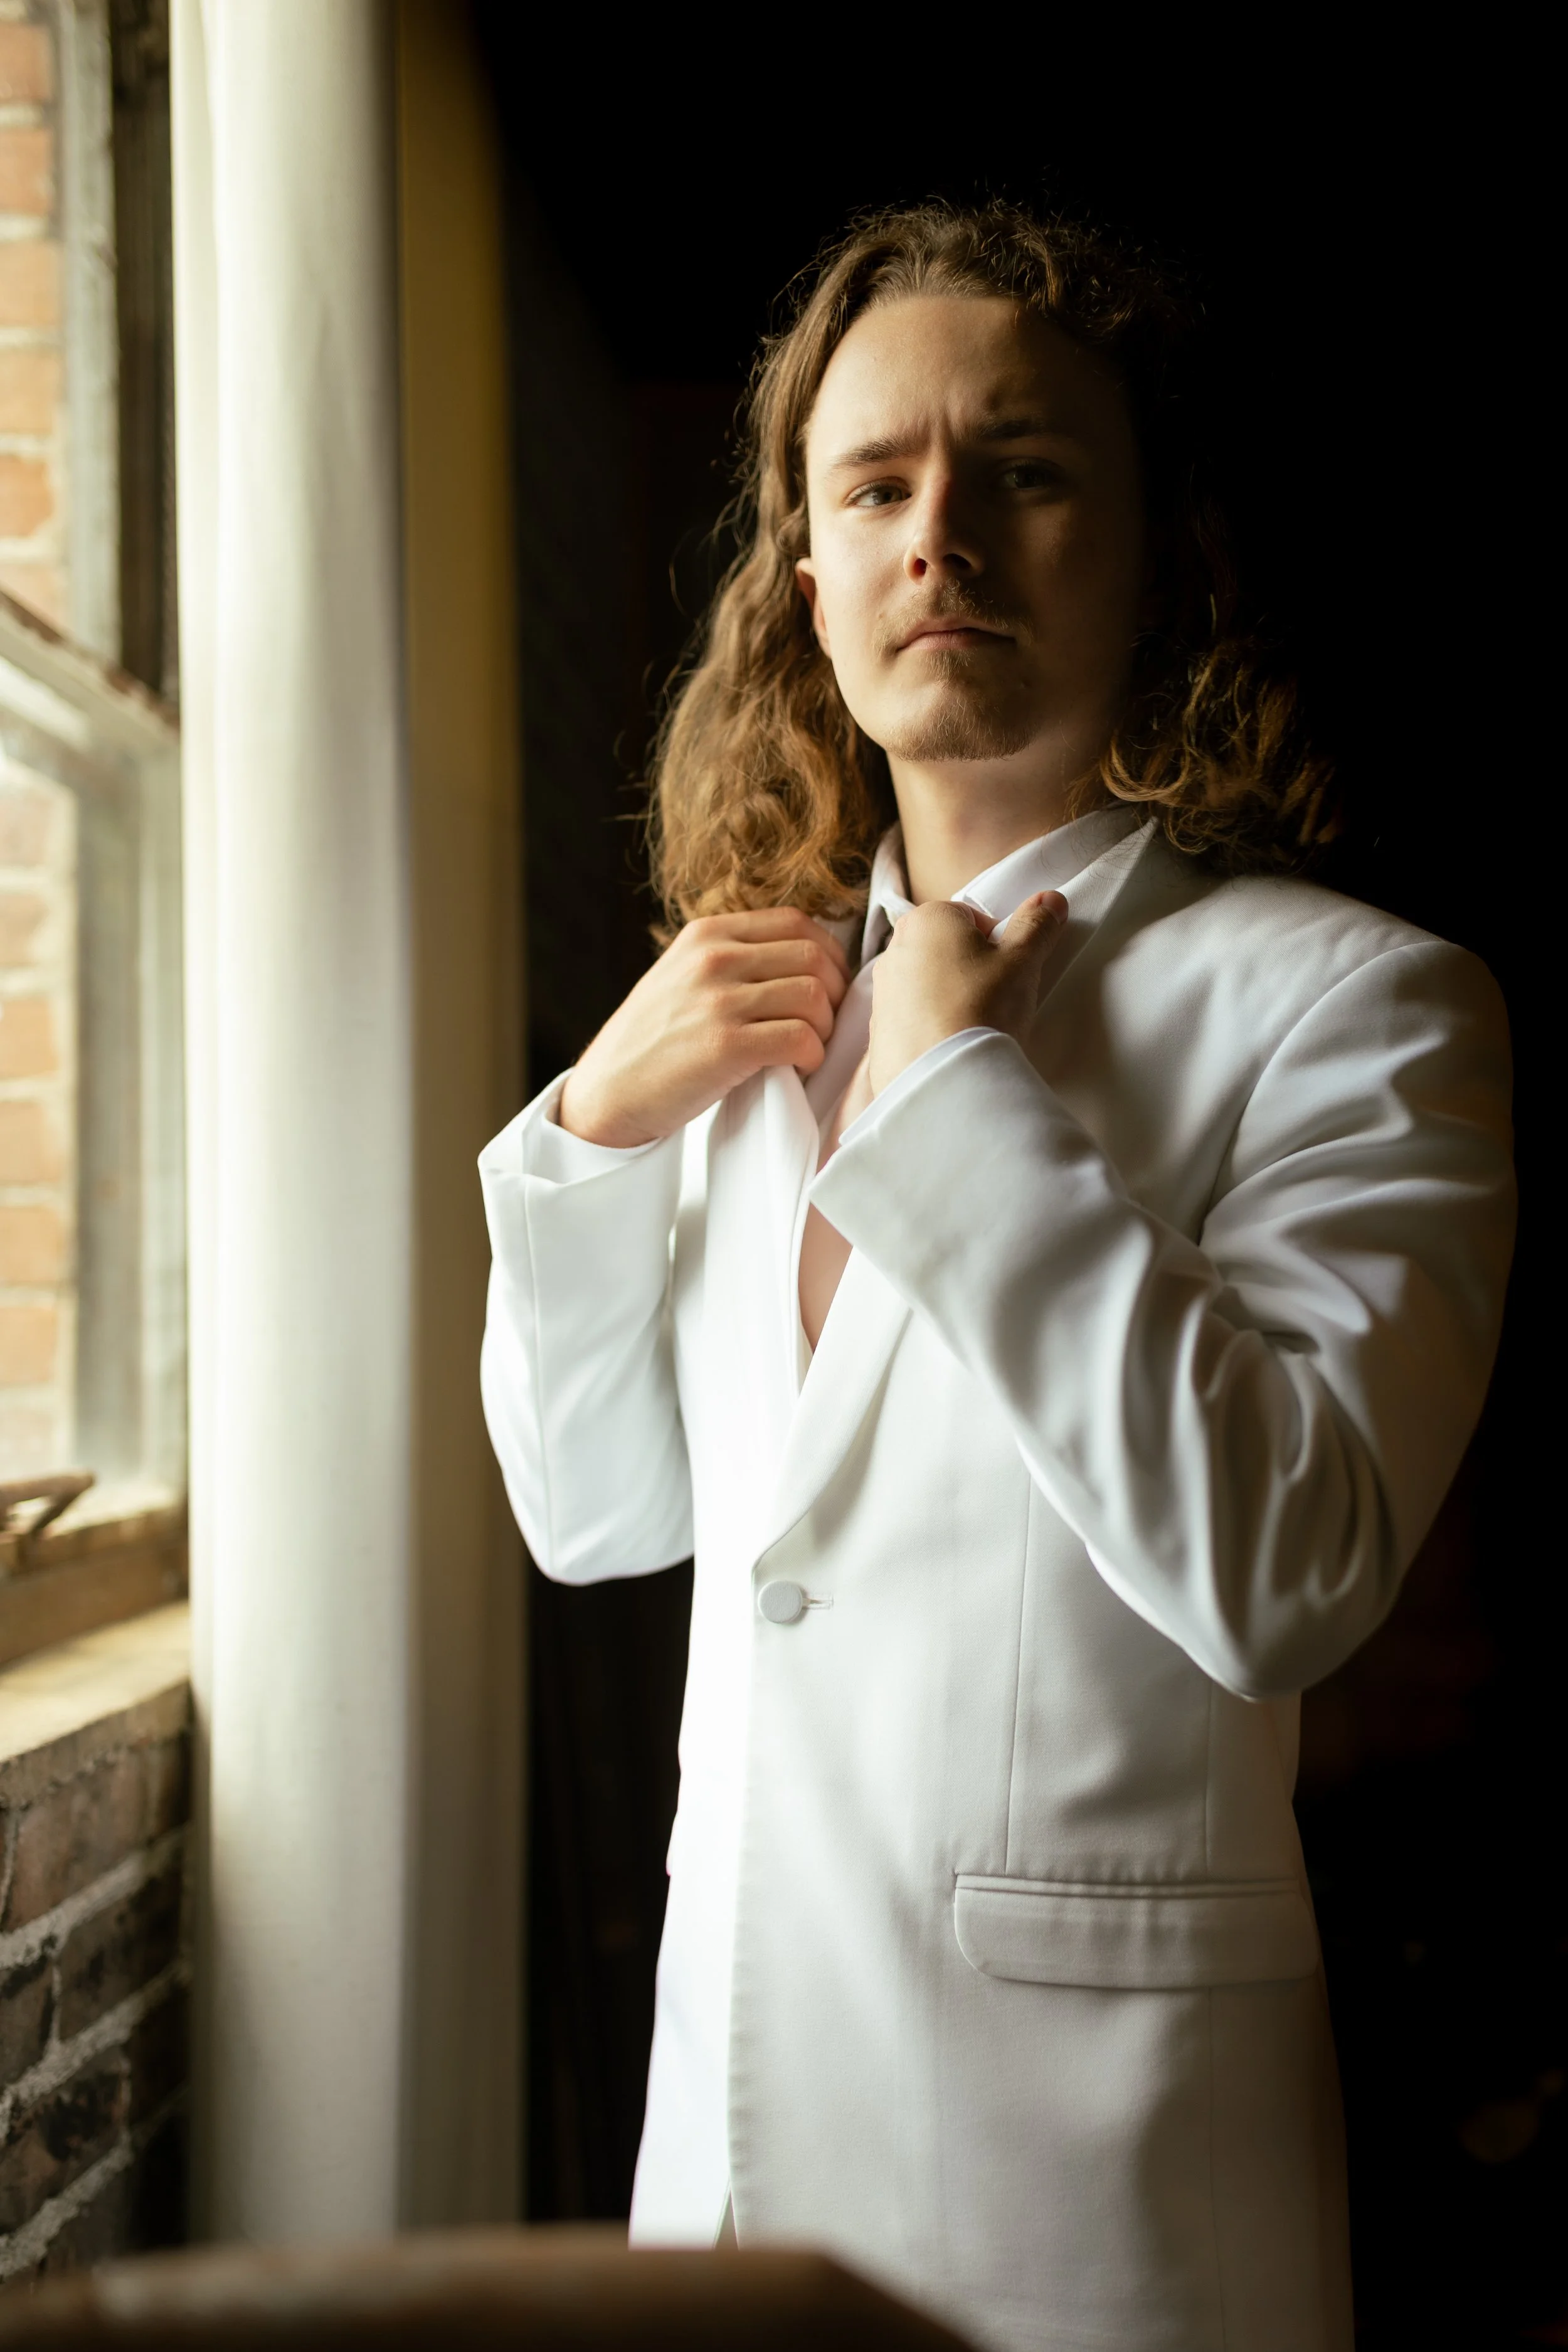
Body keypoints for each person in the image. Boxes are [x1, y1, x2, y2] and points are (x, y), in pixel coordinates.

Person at [479, 203, 1515, 2352]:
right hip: (726, 2173)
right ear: (807, 577)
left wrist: (958, 1100)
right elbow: (599, 1521)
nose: (934, 532)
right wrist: (582, 1138)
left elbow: (1285, 1570)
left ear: (1159, 551)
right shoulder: (740, 1022)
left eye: (1021, 470)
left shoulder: (1356, 1009)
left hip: (1091, 2203)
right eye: (871, 485)